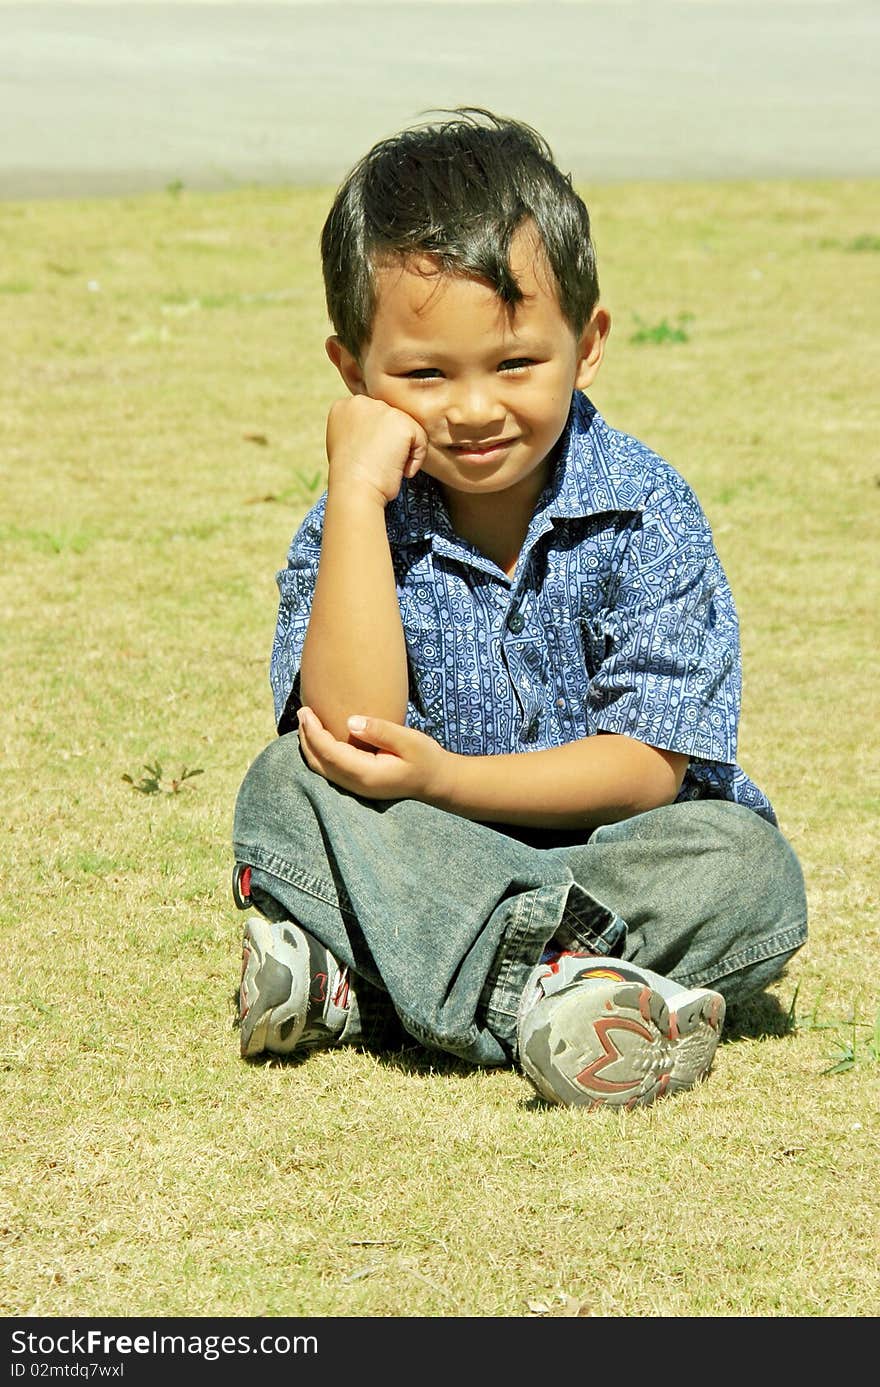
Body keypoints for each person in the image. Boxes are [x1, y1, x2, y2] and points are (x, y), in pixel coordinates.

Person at [230, 109, 807, 1109]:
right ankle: (560, 999)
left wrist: (452, 778)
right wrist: (359, 499)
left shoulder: (645, 508)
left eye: (513, 364)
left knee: (745, 869)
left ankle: (373, 989)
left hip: (615, 850)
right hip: (423, 849)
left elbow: (645, 767)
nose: (473, 407)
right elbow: (349, 731)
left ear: (585, 347)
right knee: (287, 786)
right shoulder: (349, 519)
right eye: (421, 373)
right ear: (351, 373)